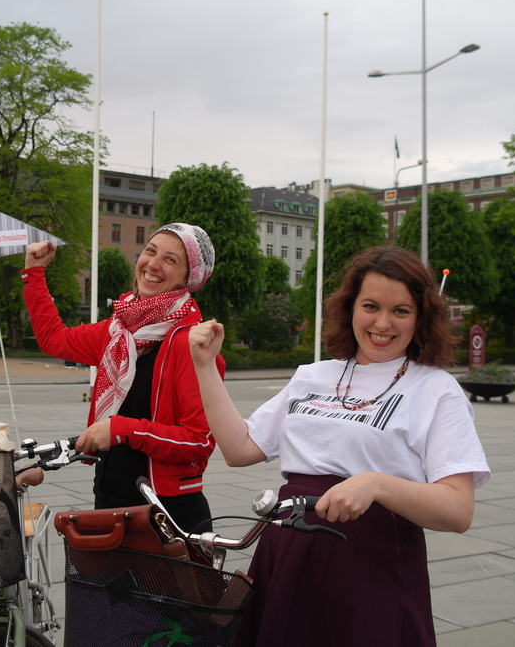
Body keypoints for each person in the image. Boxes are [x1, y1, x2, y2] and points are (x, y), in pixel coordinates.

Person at [189, 246, 490, 646]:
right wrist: (205, 365)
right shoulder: (312, 376)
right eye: (370, 306)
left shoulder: (436, 389)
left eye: (401, 310)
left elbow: (458, 510)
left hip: (370, 562)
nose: (382, 323)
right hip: (289, 548)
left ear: (421, 318)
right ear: (350, 308)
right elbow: (240, 448)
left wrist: (376, 484)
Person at [21, 223, 221, 533]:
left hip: (167, 514)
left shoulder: (194, 344)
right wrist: (34, 274)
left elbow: (199, 441)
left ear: (188, 278)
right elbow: (53, 340)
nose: (153, 264)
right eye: (150, 251)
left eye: (170, 259)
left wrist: (121, 429)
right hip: (109, 500)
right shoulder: (117, 331)